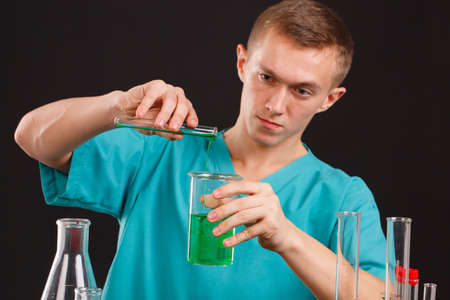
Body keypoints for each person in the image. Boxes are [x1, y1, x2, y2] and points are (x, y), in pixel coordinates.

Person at [15, 0, 386, 299]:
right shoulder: (163, 148)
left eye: (302, 90)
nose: (275, 104)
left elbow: (384, 297)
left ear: (330, 99)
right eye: (266, 77)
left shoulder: (342, 196)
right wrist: (116, 107)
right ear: (242, 63)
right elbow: (32, 137)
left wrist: (286, 236)